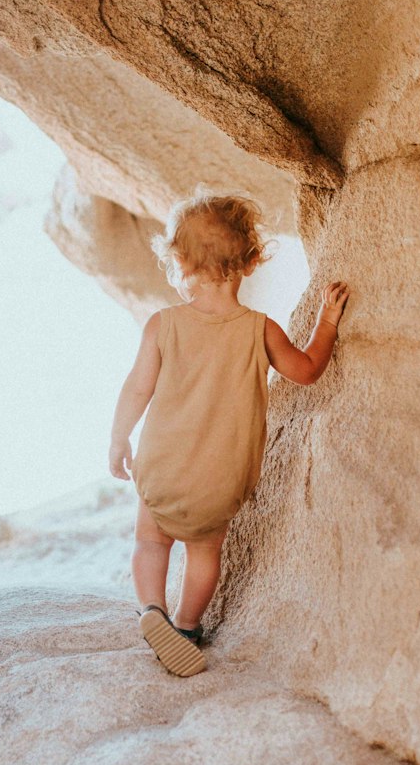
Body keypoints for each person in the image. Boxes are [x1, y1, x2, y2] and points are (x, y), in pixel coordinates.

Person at [108, 189, 349, 676]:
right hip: (221, 480)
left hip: (162, 467)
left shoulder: (162, 325)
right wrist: (326, 322)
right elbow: (305, 371)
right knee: (204, 554)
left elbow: (137, 389)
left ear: (179, 261)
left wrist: (119, 438)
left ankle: (151, 609)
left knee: (150, 543)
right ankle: (187, 625)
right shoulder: (261, 329)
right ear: (252, 261)